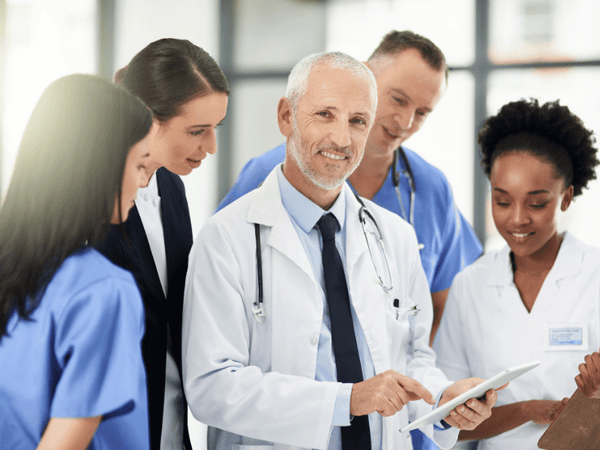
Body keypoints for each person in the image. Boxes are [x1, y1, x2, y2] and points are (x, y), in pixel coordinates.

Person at [182, 51, 499, 450]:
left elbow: (417, 360)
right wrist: (346, 400)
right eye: (325, 115)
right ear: (286, 117)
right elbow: (211, 388)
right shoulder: (226, 238)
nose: (341, 138)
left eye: (357, 121)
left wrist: (443, 400)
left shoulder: (396, 237)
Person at [216, 30, 482, 348]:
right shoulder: (267, 173)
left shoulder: (430, 188)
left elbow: (447, 305)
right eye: (398, 99)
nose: (405, 121)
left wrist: (417, 375)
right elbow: (218, 284)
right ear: (365, 77)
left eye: (422, 113)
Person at [433, 98, 600, 450]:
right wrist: (528, 410)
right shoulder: (471, 285)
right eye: (502, 201)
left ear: (566, 198)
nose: (518, 219)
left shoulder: (594, 275)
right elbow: (446, 421)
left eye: (537, 203)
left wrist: (594, 402)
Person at [0, 74, 153, 449]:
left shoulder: (13, 271)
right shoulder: (103, 291)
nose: (144, 183)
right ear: (99, 167)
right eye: (139, 165)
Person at [95, 38, 229, 450]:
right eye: (196, 131)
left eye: (215, 129)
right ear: (150, 120)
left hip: (170, 425)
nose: (210, 147)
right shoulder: (97, 198)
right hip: (109, 425)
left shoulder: (170, 185)